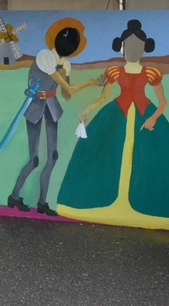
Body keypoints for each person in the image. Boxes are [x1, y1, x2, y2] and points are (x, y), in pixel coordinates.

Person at [57, 19, 169, 229]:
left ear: (145, 48)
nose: (132, 50)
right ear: (122, 47)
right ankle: (101, 203)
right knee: (102, 154)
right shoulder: (115, 71)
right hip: (117, 114)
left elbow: (162, 102)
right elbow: (103, 97)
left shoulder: (151, 72)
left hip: (146, 115)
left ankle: (149, 208)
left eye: (137, 46)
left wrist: (153, 118)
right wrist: (87, 109)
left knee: (153, 160)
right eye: (129, 45)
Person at [6, 18, 101, 215]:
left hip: (51, 107)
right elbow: (69, 87)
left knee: (53, 157)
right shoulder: (44, 56)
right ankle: (14, 196)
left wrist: (67, 74)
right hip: (35, 107)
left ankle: (42, 202)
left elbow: (66, 94)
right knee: (34, 160)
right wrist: (89, 83)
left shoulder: (65, 64)